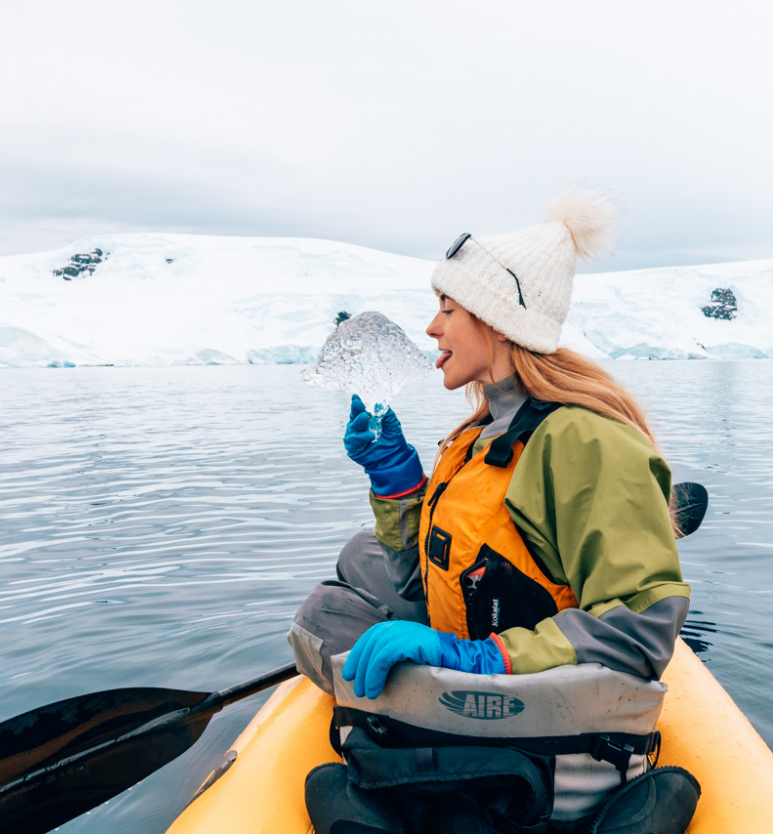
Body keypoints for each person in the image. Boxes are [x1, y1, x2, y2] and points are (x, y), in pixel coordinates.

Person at [290, 187, 699, 834]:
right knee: (356, 562)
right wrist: (396, 484)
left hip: (528, 707)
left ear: (497, 318)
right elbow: (431, 573)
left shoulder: (582, 442)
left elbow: (641, 630)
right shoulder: (480, 435)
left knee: (320, 625)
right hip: (487, 652)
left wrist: (476, 662)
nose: (432, 328)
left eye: (448, 309)